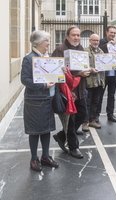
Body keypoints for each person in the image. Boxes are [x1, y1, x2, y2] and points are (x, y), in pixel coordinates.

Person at [21, 30, 59, 172]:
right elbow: (24, 79)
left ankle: (45, 156)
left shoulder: (47, 57)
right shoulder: (29, 58)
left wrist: (59, 71)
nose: (49, 43)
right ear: (38, 43)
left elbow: (53, 75)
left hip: (48, 98)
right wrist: (43, 85)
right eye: (46, 41)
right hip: (35, 101)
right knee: (34, 131)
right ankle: (33, 159)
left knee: (46, 129)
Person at [52, 26, 90, 159]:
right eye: (74, 35)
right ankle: (74, 147)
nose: (76, 38)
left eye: (78, 35)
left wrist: (89, 70)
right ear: (67, 36)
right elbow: (55, 70)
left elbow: (83, 67)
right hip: (67, 92)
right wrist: (78, 73)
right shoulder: (60, 50)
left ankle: (62, 135)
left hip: (80, 89)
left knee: (83, 114)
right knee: (72, 120)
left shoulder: (80, 49)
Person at [97, 25, 116, 123]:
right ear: (107, 32)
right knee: (100, 95)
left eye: (114, 33)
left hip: (114, 74)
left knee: (111, 95)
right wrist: (108, 45)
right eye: (111, 32)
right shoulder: (101, 42)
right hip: (103, 74)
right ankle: (96, 115)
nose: (112, 34)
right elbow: (98, 51)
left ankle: (110, 114)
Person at [83, 34, 105, 131]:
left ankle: (92, 120)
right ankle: (85, 122)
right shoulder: (85, 51)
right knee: (87, 103)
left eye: (97, 40)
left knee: (95, 102)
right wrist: (91, 69)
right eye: (94, 40)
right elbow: (82, 65)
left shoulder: (101, 51)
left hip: (99, 81)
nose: (96, 42)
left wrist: (112, 61)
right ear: (90, 41)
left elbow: (106, 63)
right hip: (89, 82)